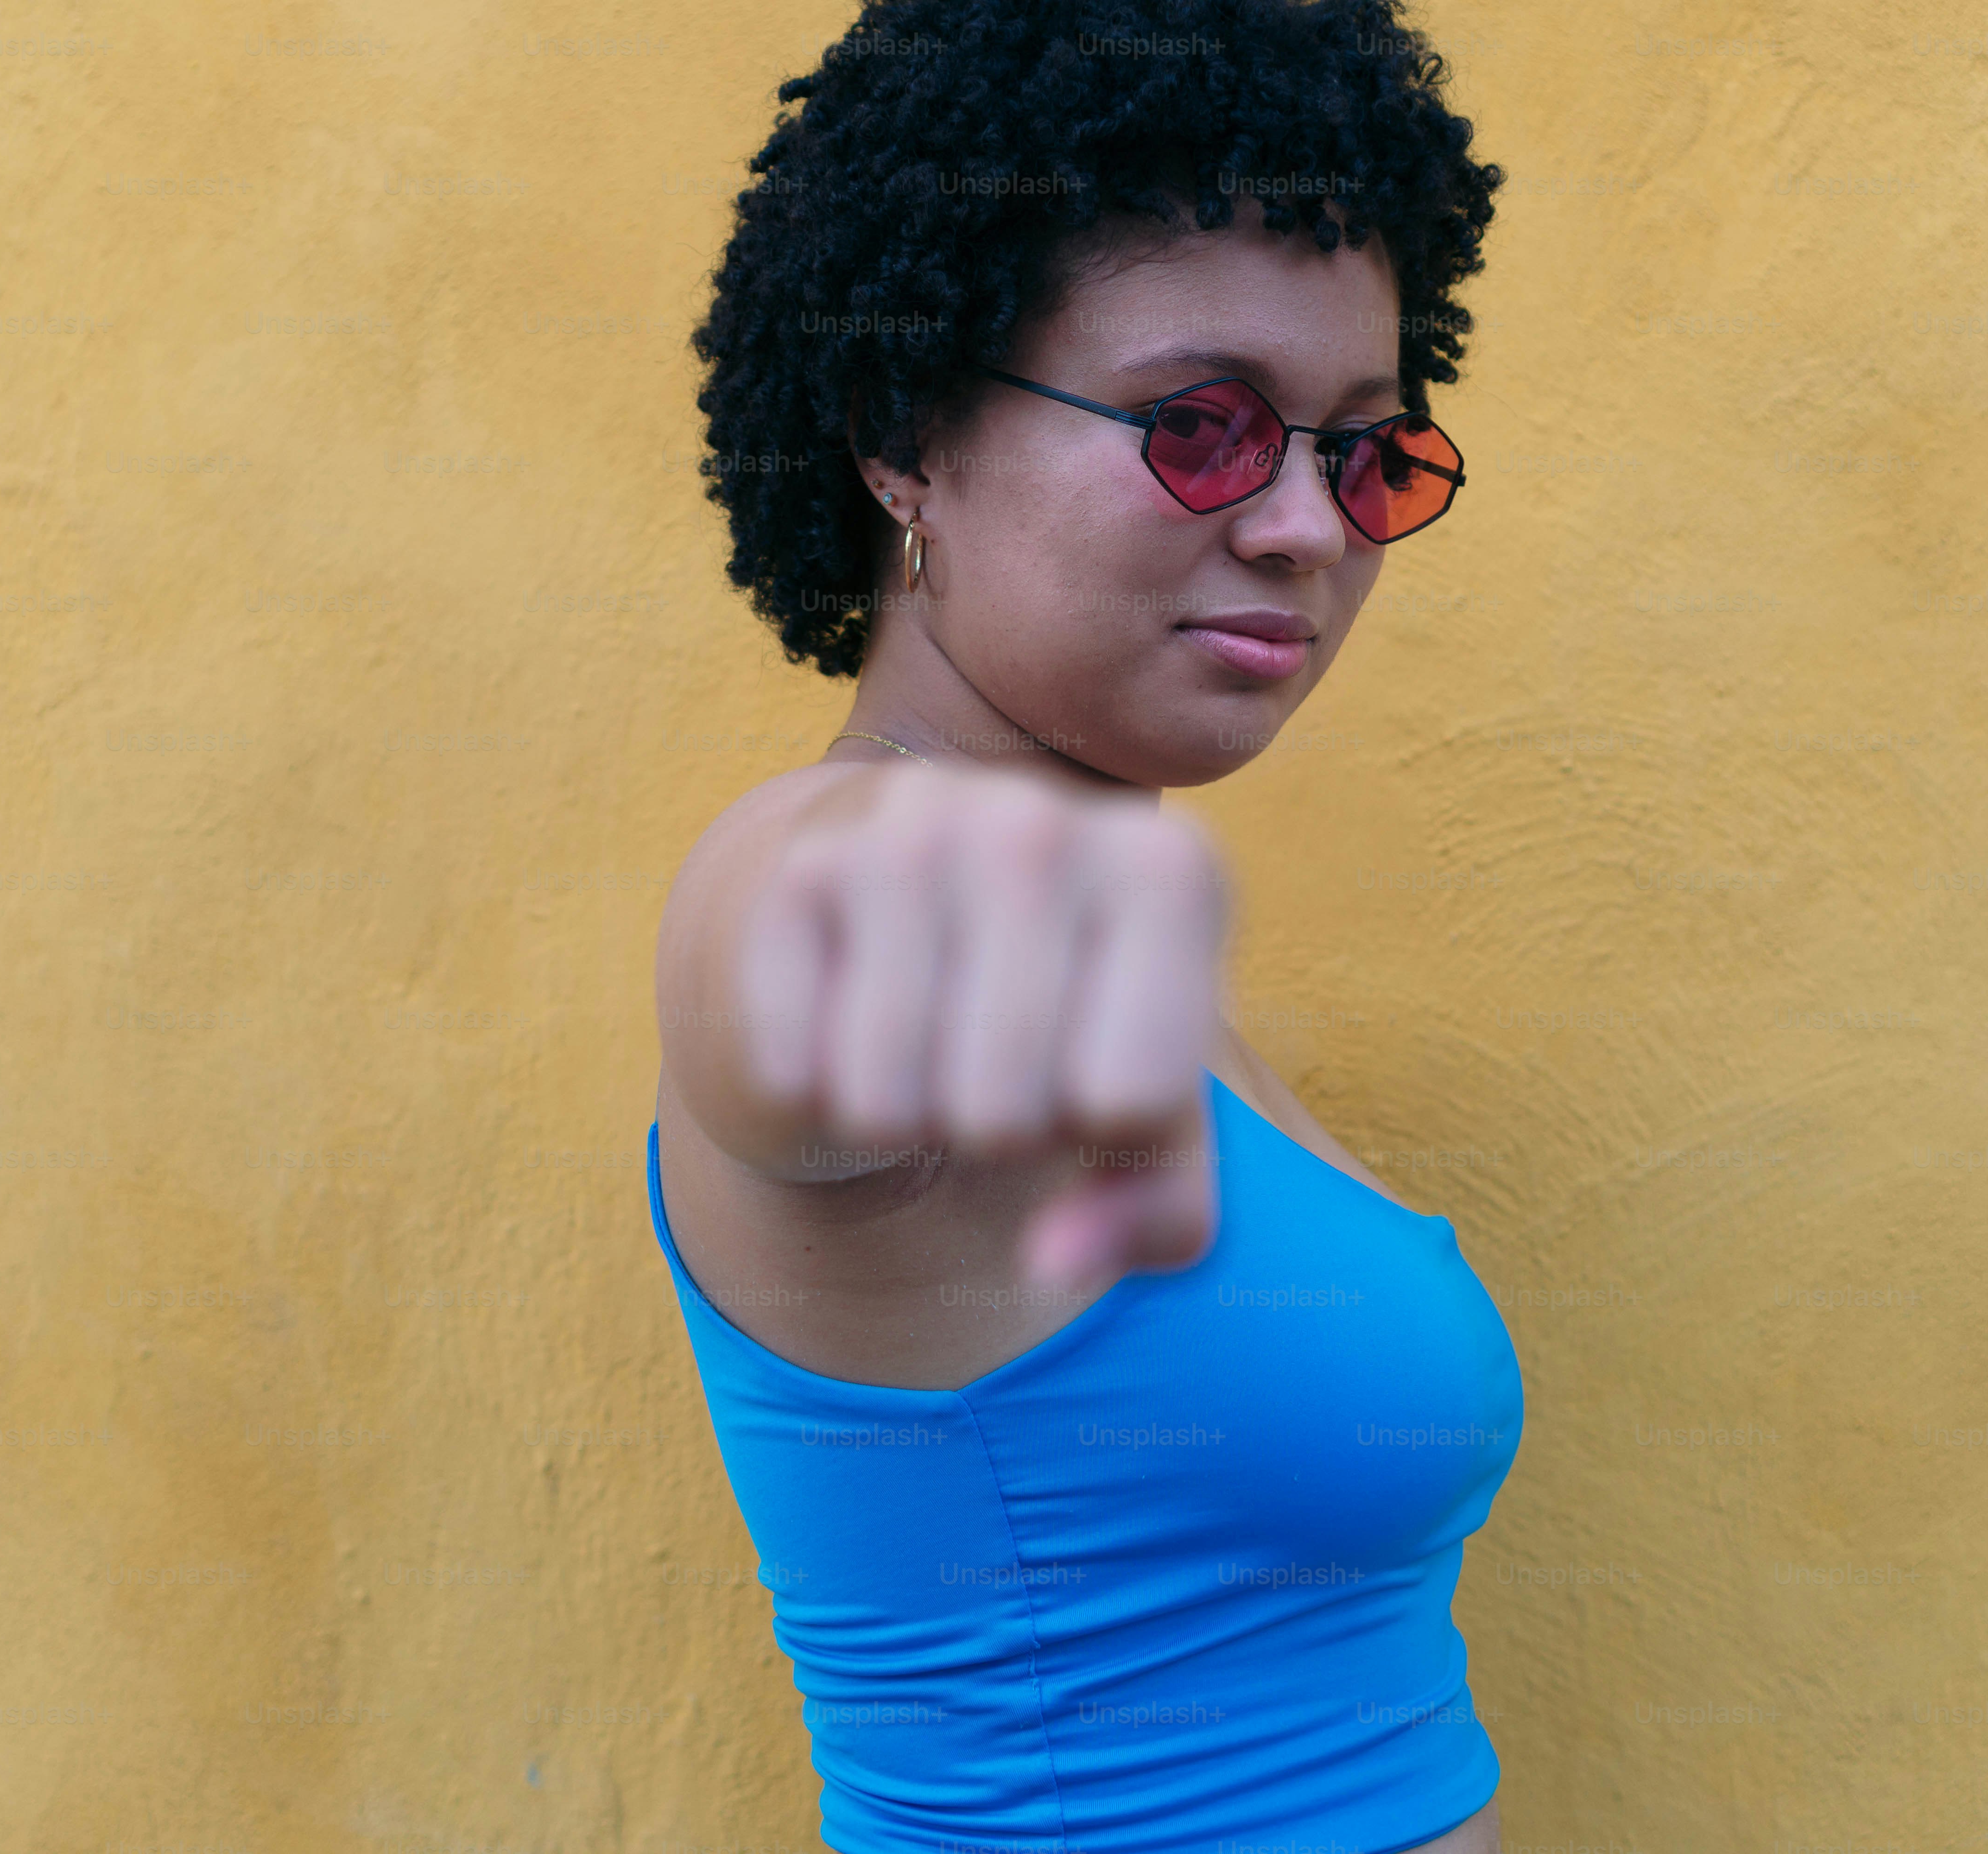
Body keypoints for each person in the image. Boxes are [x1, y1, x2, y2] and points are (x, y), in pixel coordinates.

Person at [650, 3, 1519, 1848]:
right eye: (1199, 426)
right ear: (906, 431)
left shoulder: (1157, 974)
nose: (1304, 527)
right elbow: (782, 954)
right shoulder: (848, 867)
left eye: (1365, 454)